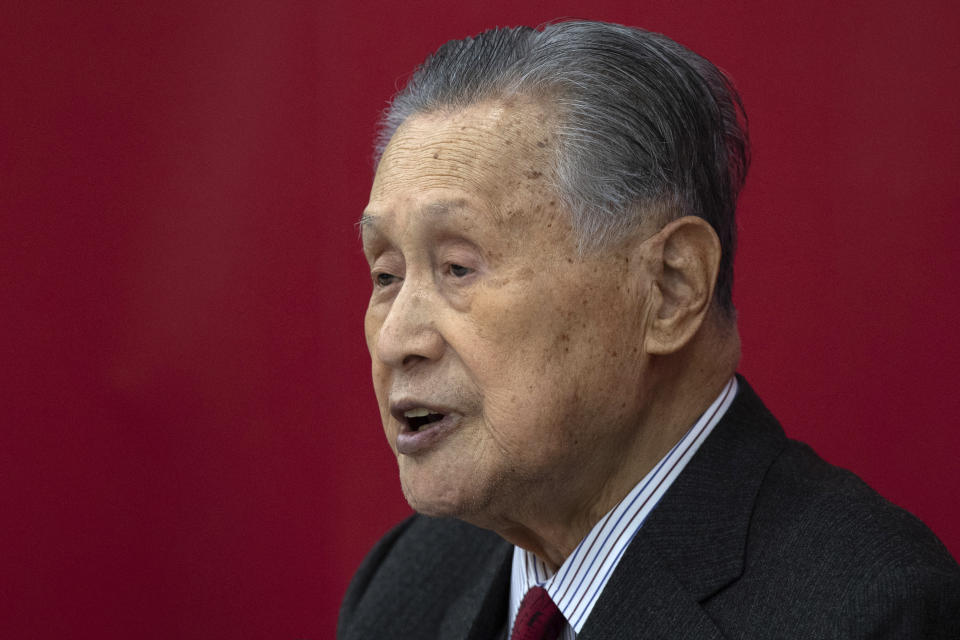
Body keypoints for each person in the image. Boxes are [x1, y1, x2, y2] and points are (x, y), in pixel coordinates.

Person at [338, 20, 960, 639]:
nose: (395, 340)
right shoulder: (406, 583)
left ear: (670, 287)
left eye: (457, 268)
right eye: (386, 275)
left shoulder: (874, 611)